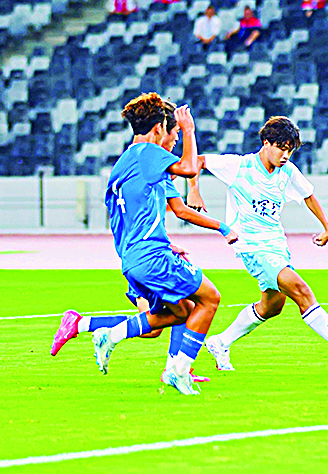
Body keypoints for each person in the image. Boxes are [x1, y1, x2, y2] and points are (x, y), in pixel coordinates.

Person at [51, 100, 238, 385]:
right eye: (174, 133)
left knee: (178, 313)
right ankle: (172, 368)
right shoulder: (147, 154)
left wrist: (214, 229)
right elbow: (189, 168)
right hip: (148, 255)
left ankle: (168, 365)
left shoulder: (133, 164)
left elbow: (177, 210)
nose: (175, 140)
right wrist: (190, 130)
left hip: (135, 256)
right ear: (160, 128)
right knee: (208, 298)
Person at [186, 116, 328, 371]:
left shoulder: (288, 171)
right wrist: (193, 189)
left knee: (272, 306)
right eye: (281, 148)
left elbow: (308, 195)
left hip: (276, 244)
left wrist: (327, 226)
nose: (285, 155)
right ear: (266, 143)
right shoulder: (239, 166)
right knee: (301, 290)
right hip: (252, 246)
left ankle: (221, 342)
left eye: (290, 150)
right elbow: (197, 160)